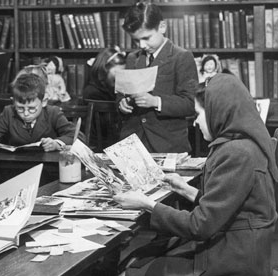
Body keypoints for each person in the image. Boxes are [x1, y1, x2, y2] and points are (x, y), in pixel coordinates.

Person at [114, 73, 278, 276]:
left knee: (135, 269)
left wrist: (146, 204)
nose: (195, 122)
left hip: (233, 256)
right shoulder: (240, 145)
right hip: (235, 244)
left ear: (218, 112)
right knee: (141, 257)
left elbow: (200, 225)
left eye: (199, 114)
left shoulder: (237, 153)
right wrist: (186, 189)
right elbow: (228, 205)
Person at [118, 2, 198, 153]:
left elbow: (190, 103)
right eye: (136, 40)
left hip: (168, 144)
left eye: (147, 38)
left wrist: (156, 101)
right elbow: (122, 93)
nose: (142, 45)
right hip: (133, 144)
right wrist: (121, 104)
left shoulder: (181, 57)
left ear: (162, 27)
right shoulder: (132, 58)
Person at [0, 73, 83, 152]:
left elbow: (77, 136)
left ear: (44, 101)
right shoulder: (9, 112)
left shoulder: (53, 113)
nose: (26, 113)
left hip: (48, 167)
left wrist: (57, 143)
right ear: (14, 102)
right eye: (20, 108)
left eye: (32, 108)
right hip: (16, 165)